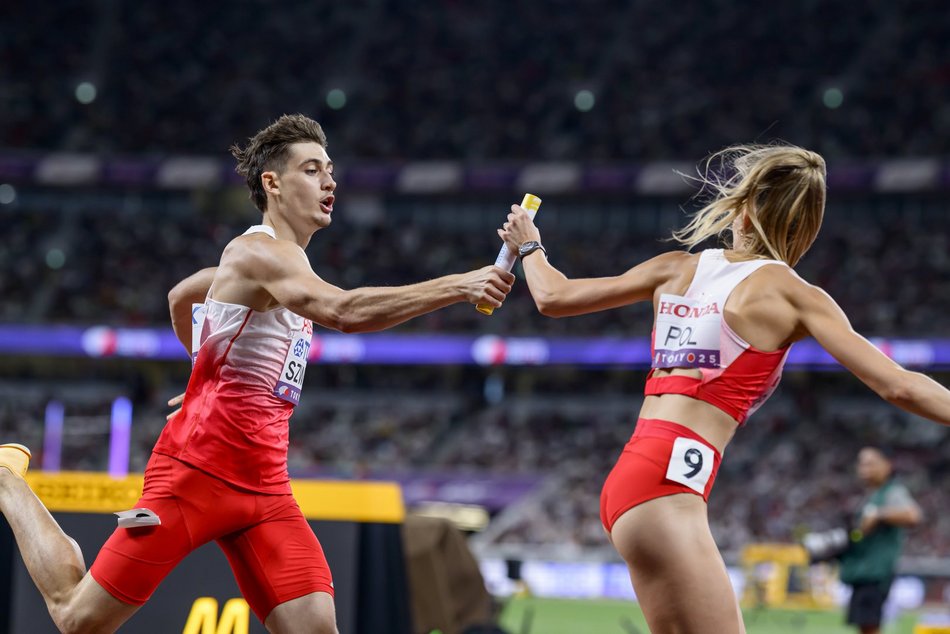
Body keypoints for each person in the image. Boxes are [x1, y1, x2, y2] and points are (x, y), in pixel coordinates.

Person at [0, 113, 514, 634]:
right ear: (273, 183)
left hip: (265, 488)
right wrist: (458, 285)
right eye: (312, 170)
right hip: (195, 475)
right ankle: (6, 480)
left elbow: (181, 296)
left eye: (330, 170)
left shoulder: (276, 264)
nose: (330, 182)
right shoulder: (255, 253)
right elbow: (343, 312)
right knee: (78, 618)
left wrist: (201, 380)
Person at [496, 144, 950, 634]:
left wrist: (530, 246)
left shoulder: (677, 267)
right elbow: (899, 386)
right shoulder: (794, 294)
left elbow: (554, 296)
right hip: (670, 491)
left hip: (634, 477)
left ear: (744, 211)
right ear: (805, 227)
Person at [840, 446, 921, 634]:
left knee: (870, 625)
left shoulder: (892, 491)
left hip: (875, 572)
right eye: (862, 464)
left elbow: (913, 515)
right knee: (865, 625)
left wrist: (879, 514)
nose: (864, 469)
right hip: (862, 570)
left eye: (871, 464)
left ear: (887, 465)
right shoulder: (871, 494)